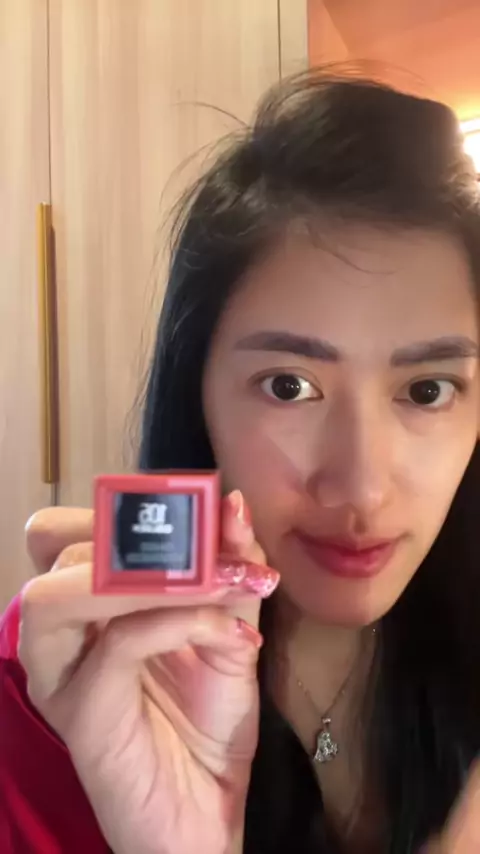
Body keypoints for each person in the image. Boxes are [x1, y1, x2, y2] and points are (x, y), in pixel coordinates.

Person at [1, 70, 480, 854]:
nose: (361, 486)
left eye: (428, 390)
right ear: (198, 392)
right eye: (289, 386)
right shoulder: (70, 673)